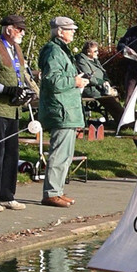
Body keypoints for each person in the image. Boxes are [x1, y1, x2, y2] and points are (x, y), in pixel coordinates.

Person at [0, 14, 38, 212]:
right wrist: (6, 89)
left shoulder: (16, 48)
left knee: (11, 154)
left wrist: (32, 90)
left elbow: (22, 74)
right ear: (9, 29)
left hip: (13, 109)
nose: (23, 33)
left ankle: (7, 195)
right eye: (20, 29)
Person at [38, 17, 87, 209]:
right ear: (59, 31)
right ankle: (51, 193)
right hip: (61, 110)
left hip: (68, 110)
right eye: (70, 29)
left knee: (66, 155)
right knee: (59, 154)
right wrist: (74, 81)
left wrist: (76, 80)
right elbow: (53, 81)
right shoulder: (53, 52)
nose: (73, 32)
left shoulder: (61, 51)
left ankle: (57, 190)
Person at [74, 39, 124, 123]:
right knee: (108, 99)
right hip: (89, 88)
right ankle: (122, 120)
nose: (97, 53)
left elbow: (103, 72)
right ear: (88, 52)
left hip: (101, 87)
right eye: (95, 51)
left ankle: (121, 118)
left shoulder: (95, 60)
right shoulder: (81, 60)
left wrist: (107, 81)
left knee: (115, 95)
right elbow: (88, 77)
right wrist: (102, 82)